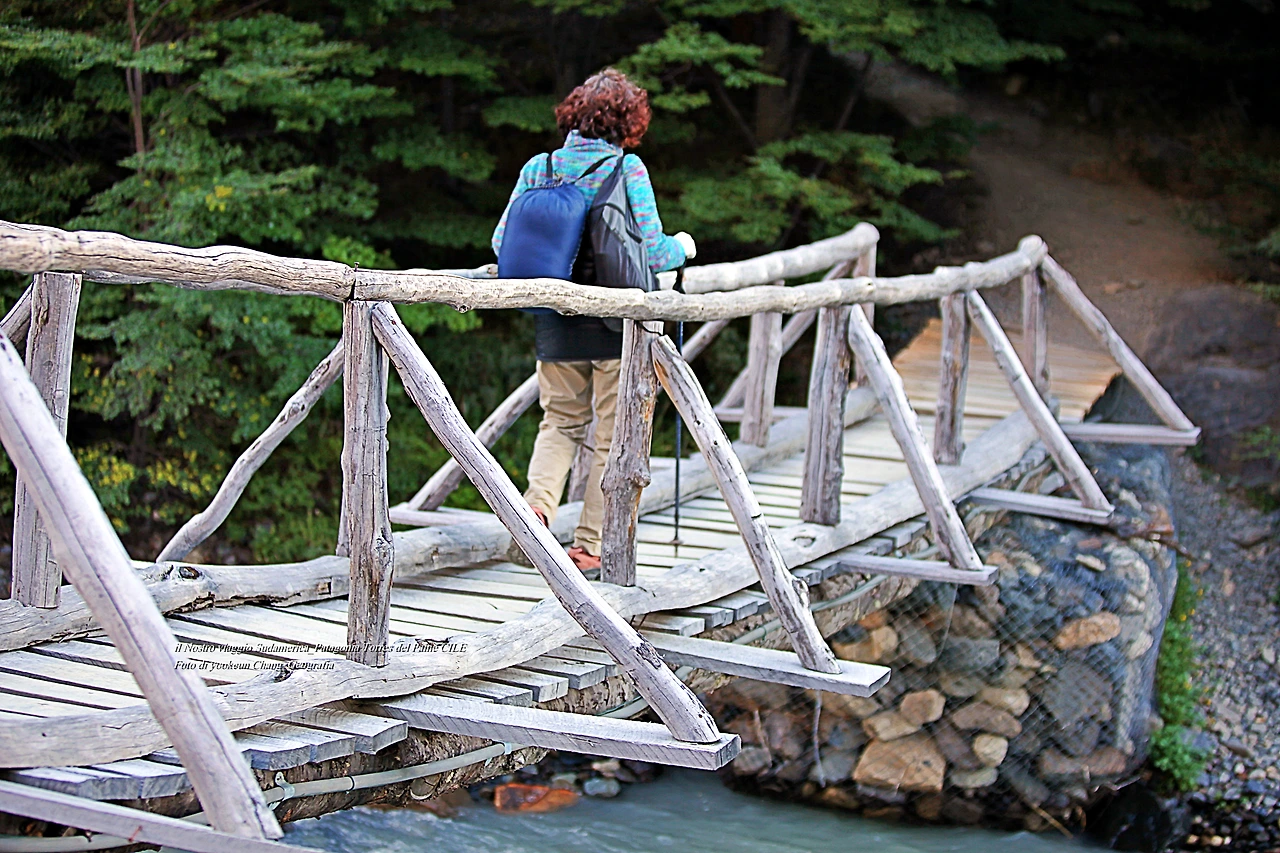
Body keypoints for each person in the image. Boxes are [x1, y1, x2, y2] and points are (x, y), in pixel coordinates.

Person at [491, 68, 696, 571]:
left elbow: (501, 243)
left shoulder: (540, 167)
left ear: (573, 115)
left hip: (554, 318)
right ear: (629, 122)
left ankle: (535, 511)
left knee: (560, 422)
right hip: (614, 323)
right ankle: (589, 546)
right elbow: (654, 250)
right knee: (610, 435)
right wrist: (685, 247)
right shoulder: (628, 169)